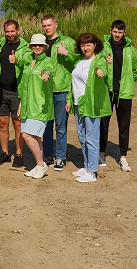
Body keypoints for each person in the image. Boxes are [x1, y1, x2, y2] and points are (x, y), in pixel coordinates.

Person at [67, 33, 112, 183]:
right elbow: (73, 82)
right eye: (82, 45)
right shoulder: (80, 61)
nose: (85, 48)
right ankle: (86, 166)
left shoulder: (98, 60)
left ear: (95, 45)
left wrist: (101, 73)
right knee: (82, 137)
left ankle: (92, 172)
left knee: (91, 138)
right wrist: (69, 99)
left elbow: (104, 70)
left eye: (88, 45)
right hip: (78, 103)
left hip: (91, 103)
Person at [100, 20, 137, 171]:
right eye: (114, 32)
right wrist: (104, 62)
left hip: (124, 93)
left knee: (124, 125)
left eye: (120, 32)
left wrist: (128, 79)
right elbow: (96, 65)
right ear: (110, 31)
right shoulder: (103, 47)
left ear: (124, 32)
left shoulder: (132, 50)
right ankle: (101, 154)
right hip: (107, 91)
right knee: (102, 124)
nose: (117, 35)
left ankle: (123, 157)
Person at [41, 14, 78, 171]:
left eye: (49, 25)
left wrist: (66, 53)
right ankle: (48, 155)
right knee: (46, 125)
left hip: (62, 89)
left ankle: (60, 157)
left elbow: (78, 61)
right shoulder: (40, 42)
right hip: (45, 90)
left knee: (61, 126)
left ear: (56, 24)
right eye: (44, 25)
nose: (47, 28)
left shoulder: (67, 42)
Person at [17, 34, 56, 179]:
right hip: (28, 105)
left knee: (26, 135)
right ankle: (39, 165)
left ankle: (41, 164)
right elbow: (24, 86)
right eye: (35, 45)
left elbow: (49, 70)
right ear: (31, 47)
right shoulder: (29, 61)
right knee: (36, 137)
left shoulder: (47, 61)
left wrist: (47, 75)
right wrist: (21, 104)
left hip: (40, 106)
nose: (37, 47)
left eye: (40, 45)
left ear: (45, 47)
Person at [0, 19, 30, 168]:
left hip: (17, 90)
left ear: (18, 31)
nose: (9, 34)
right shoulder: (0, 45)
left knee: (17, 124)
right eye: (7, 31)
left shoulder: (25, 47)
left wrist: (18, 60)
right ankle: (5, 153)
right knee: (2, 123)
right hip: (0, 90)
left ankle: (19, 154)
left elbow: (28, 64)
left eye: (12, 31)